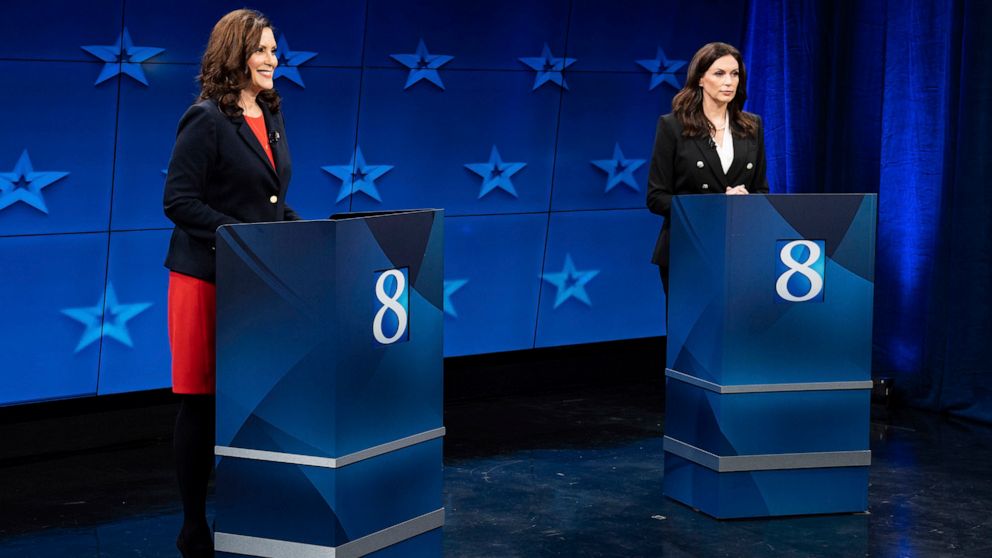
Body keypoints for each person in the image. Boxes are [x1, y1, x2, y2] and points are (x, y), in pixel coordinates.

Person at [162, 9, 299, 557]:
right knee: (202, 403)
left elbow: (270, 201)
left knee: (255, 400)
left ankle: (258, 512)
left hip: (255, 279)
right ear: (236, 54)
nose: (272, 59)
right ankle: (193, 525)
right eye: (263, 50)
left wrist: (306, 231)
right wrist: (243, 237)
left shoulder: (271, 112)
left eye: (274, 50)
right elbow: (179, 202)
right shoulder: (206, 119)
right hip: (207, 280)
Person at [646, 42, 769, 294]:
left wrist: (748, 201)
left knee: (735, 332)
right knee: (694, 334)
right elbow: (657, 198)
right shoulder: (673, 126)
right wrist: (717, 204)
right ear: (700, 79)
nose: (729, 82)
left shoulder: (752, 126)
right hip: (687, 251)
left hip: (738, 252)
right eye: (719, 73)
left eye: (735, 74)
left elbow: (761, 191)